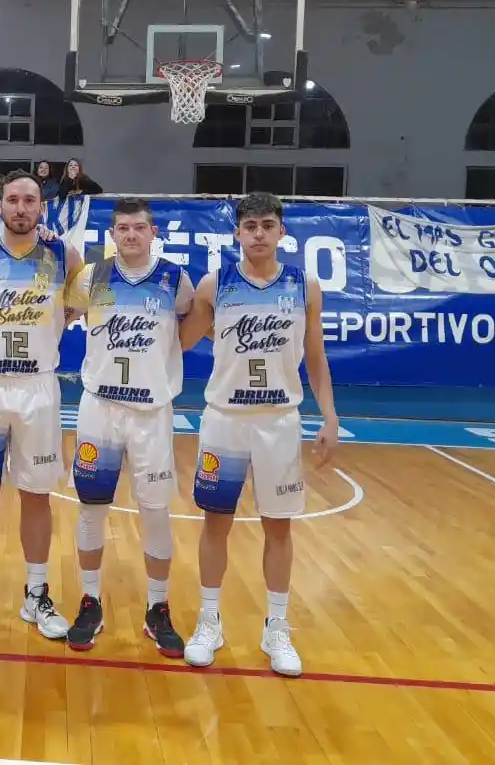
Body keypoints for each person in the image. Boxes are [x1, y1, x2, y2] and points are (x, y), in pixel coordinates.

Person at [179, 191, 339, 676]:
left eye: (268, 225)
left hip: (279, 420)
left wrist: (330, 416)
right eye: (250, 226)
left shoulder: (305, 286)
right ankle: (209, 621)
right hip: (225, 418)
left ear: (282, 232)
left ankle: (277, 628)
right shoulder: (215, 284)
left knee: (278, 527)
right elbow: (182, 339)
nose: (259, 234)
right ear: (237, 233)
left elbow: (315, 356)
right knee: (216, 523)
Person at [62, 197, 208, 657]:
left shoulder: (174, 279)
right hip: (100, 408)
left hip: (151, 412)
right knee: (91, 508)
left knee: (155, 511)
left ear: (152, 232)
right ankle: (89, 601)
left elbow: (191, 326)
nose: (130, 234)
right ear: (112, 234)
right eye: (122, 228)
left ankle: (157, 608)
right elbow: (63, 314)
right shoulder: (92, 277)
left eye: (138, 227)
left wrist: (163, 363)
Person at [0, 169, 84, 640]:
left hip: (37, 388)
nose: (21, 208)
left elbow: (90, 300)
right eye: (13, 200)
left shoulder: (62, 253)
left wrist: (62, 316)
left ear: (42, 207)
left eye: (30, 200)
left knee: (36, 496)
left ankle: (36, 594)